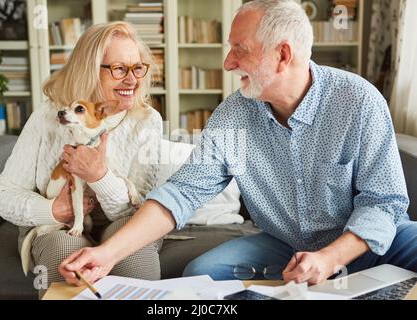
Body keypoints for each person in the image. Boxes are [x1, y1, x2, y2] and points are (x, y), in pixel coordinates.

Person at [59, 0, 416, 286]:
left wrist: (330, 258)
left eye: (239, 50)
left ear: (283, 55)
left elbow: (383, 203)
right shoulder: (235, 113)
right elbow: (182, 193)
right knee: (203, 274)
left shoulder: (358, 101)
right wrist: (105, 255)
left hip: (370, 240)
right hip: (287, 244)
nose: (228, 63)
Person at [0, 21, 164, 287]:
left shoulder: (147, 120)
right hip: (58, 225)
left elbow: (139, 211)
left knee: (134, 255)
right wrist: (53, 210)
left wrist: (99, 176)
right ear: (90, 70)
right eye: (119, 69)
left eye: (138, 67)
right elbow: (2, 195)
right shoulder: (49, 116)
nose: (133, 80)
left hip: (121, 221)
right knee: (64, 255)